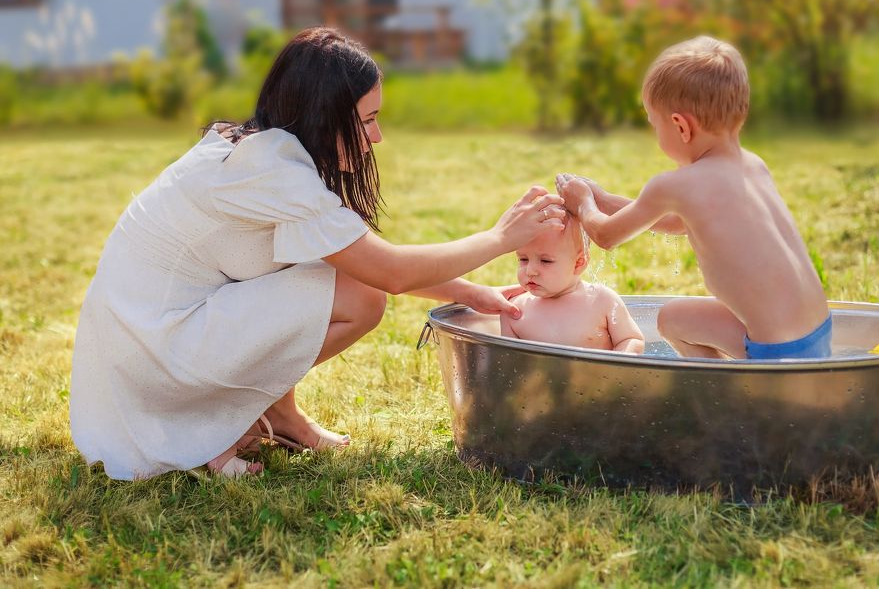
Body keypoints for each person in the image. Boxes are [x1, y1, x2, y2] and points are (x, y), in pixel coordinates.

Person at [70, 27, 566, 479]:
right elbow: (388, 272)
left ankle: (277, 415)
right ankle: (213, 424)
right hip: (154, 356)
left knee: (340, 282)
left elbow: (352, 258)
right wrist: (501, 237)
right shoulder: (275, 174)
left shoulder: (259, 149)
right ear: (323, 115)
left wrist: (472, 294)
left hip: (144, 339)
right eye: (368, 120)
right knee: (364, 299)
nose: (377, 137)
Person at [556, 35, 829, 360]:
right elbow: (676, 222)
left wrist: (583, 203)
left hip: (775, 354)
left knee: (671, 321)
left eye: (654, 125)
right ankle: (735, 378)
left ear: (681, 127)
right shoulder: (753, 166)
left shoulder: (675, 185)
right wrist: (603, 198)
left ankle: (716, 386)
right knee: (677, 316)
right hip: (817, 334)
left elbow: (605, 235)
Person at [500, 216, 644, 354]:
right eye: (523, 259)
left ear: (578, 263)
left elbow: (631, 339)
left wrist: (619, 360)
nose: (530, 271)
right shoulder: (514, 311)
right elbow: (507, 360)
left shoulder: (602, 300)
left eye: (546, 261)